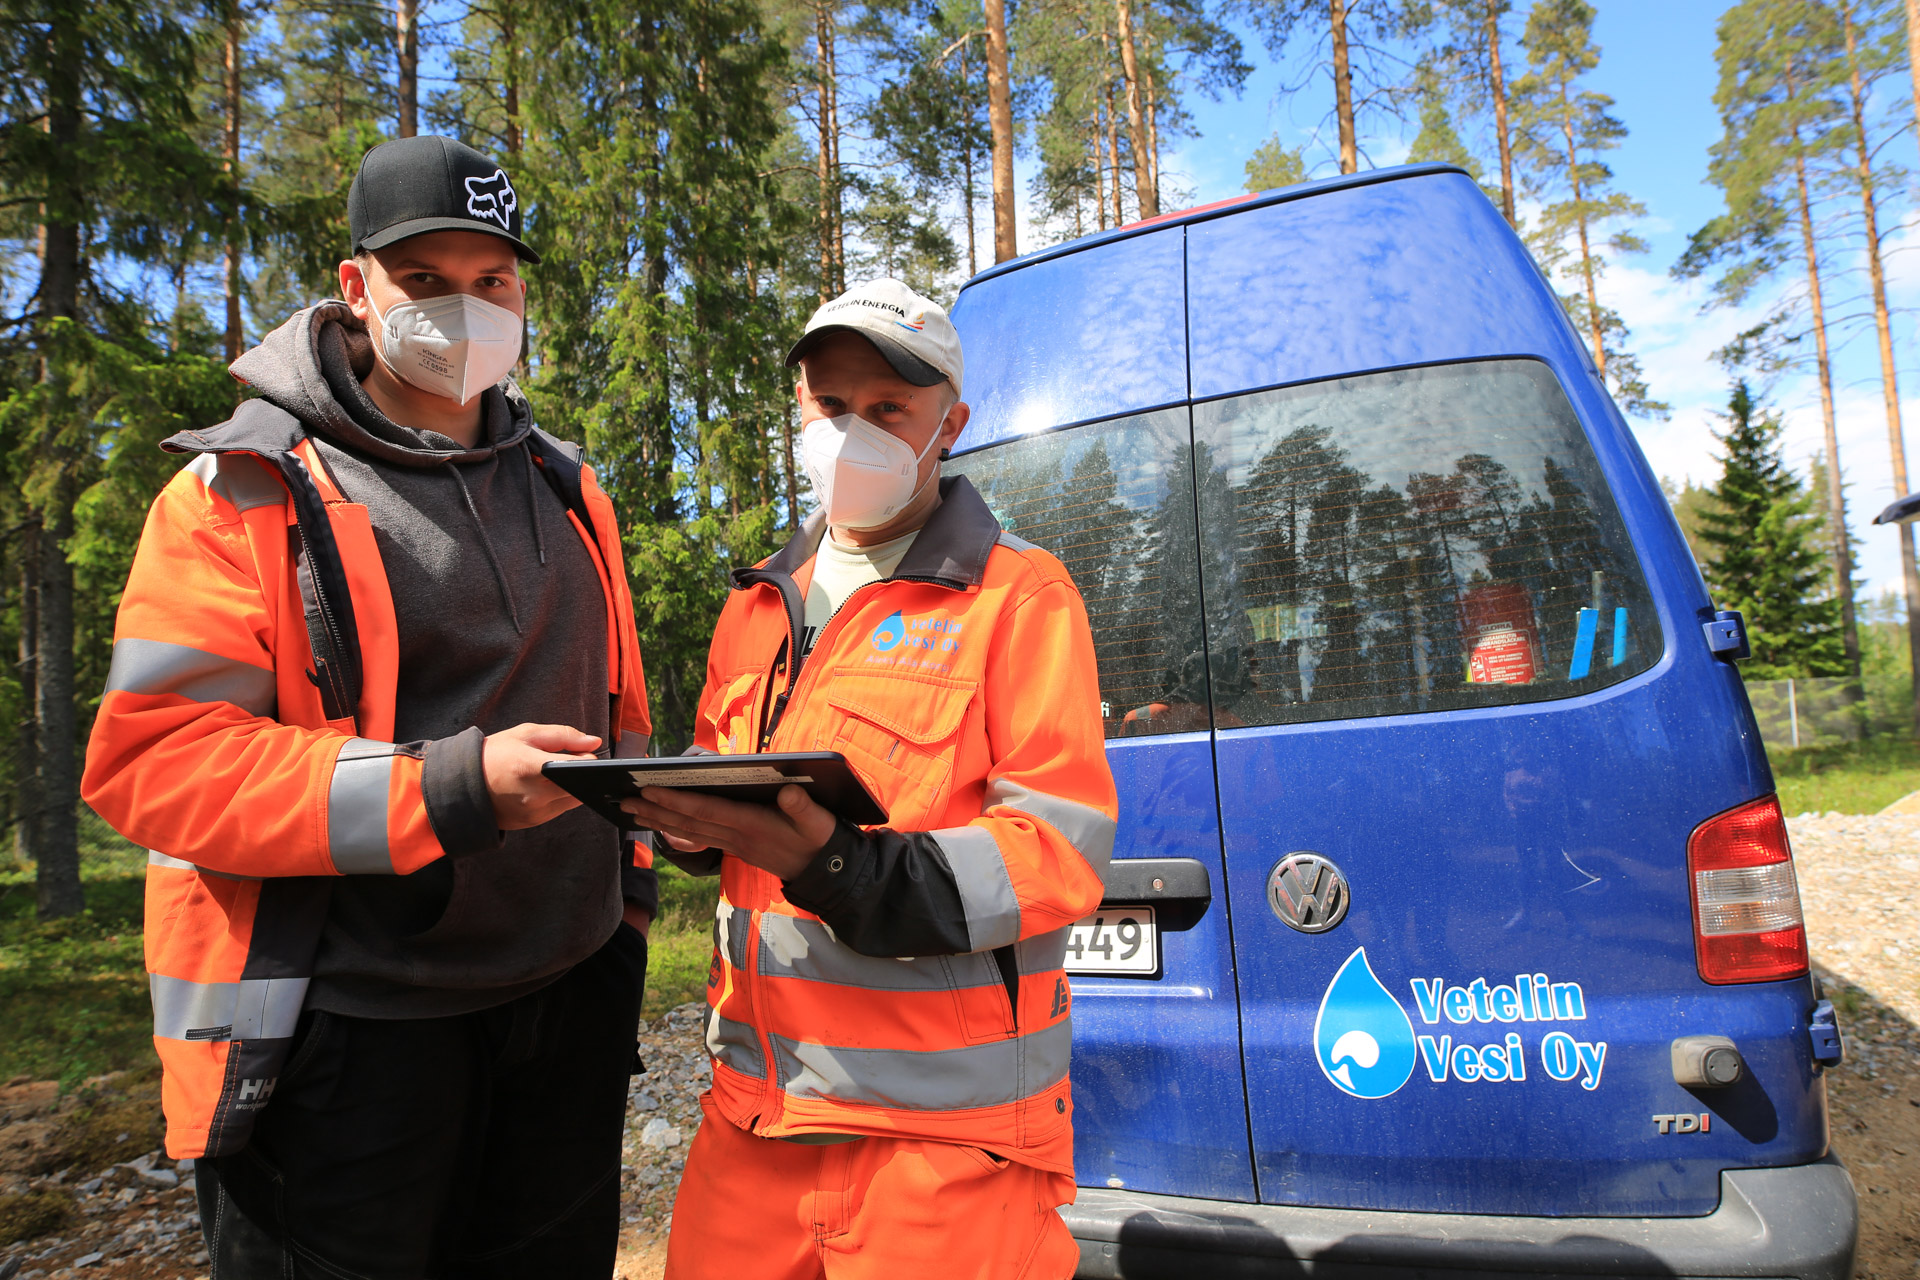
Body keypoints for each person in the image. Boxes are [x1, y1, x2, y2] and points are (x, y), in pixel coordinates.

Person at [81, 135, 655, 1279]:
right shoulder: (238, 489)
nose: (466, 310)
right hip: (346, 1037)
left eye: (492, 282)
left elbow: (615, 713)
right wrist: (444, 789)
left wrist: (658, 823)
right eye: (426, 281)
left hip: (568, 1007)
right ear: (357, 287)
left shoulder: (571, 484)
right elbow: (155, 760)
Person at [622, 277, 1118, 1279]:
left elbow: (1056, 852)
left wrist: (845, 867)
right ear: (798, 411)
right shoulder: (759, 601)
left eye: (889, 408)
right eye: (831, 406)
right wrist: (680, 822)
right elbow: (727, 789)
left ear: (952, 424)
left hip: (940, 1152)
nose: (854, 432)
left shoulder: (1020, 596)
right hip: (751, 1120)